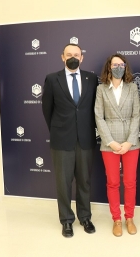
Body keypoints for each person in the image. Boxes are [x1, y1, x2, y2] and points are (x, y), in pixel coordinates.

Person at [42, 43, 98, 238]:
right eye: (69, 54)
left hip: (86, 139)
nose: (73, 57)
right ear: (62, 57)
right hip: (61, 140)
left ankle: (85, 217)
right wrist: (59, 130)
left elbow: (93, 109)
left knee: (84, 181)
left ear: (82, 57)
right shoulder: (52, 79)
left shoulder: (92, 79)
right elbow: (47, 110)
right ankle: (66, 220)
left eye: (77, 54)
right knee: (63, 183)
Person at [94, 53, 140, 237]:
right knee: (113, 183)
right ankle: (116, 219)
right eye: (115, 65)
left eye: (121, 64)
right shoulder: (101, 89)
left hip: (131, 143)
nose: (118, 67)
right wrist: (111, 142)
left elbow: (137, 115)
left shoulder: (132, 87)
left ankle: (129, 218)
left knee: (130, 182)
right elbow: (99, 116)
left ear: (125, 67)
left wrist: (129, 141)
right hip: (109, 143)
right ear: (109, 67)